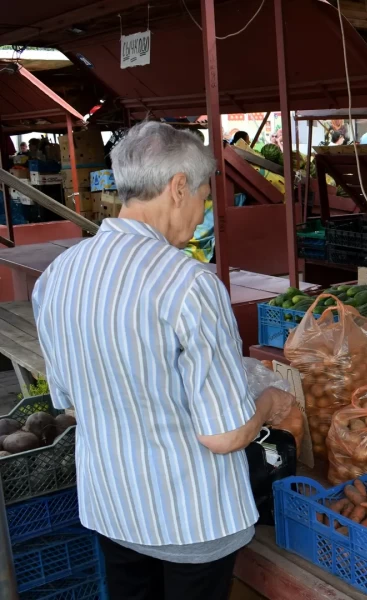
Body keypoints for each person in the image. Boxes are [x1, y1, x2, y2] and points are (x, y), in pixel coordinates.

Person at [32, 121, 294, 600]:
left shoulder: (57, 277)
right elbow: (224, 435)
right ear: (178, 188)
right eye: (203, 196)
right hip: (190, 519)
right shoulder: (189, 285)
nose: (203, 212)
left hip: (114, 507)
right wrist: (269, 405)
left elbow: (69, 402)